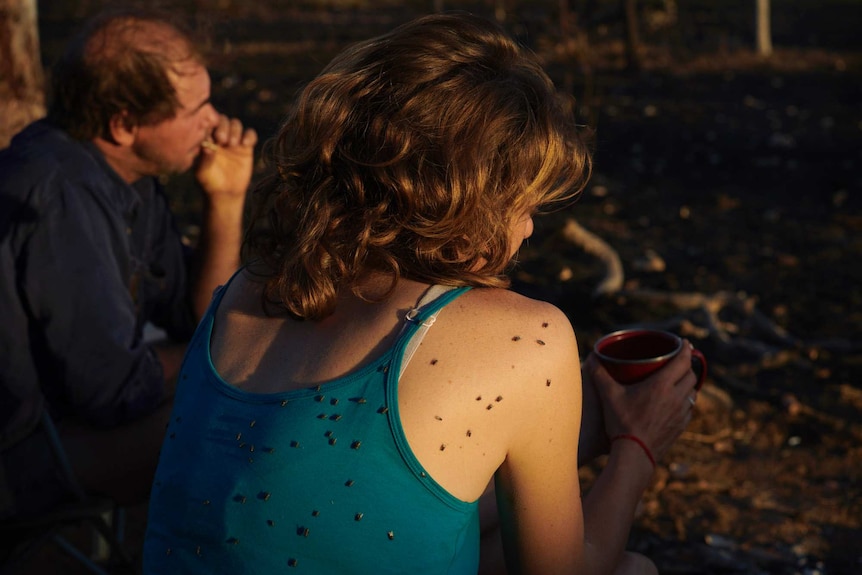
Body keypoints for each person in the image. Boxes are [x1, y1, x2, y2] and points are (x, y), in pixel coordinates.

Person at [142, 12, 698, 574]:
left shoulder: (245, 289)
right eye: (523, 204)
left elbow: (364, 492)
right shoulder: (525, 337)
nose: (529, 228)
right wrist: (637, 447)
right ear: (466, 198)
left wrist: (572, 439)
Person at [0, 8, 257, 516]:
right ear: (123, 124)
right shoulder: (61, 197)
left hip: (63, 422)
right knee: (232, 413)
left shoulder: (127, 177)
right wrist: (233, 354)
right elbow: (113, 390)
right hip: (20, 454)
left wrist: (225, 201)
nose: (214, 120)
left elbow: (195, 313)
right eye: (196, 109)